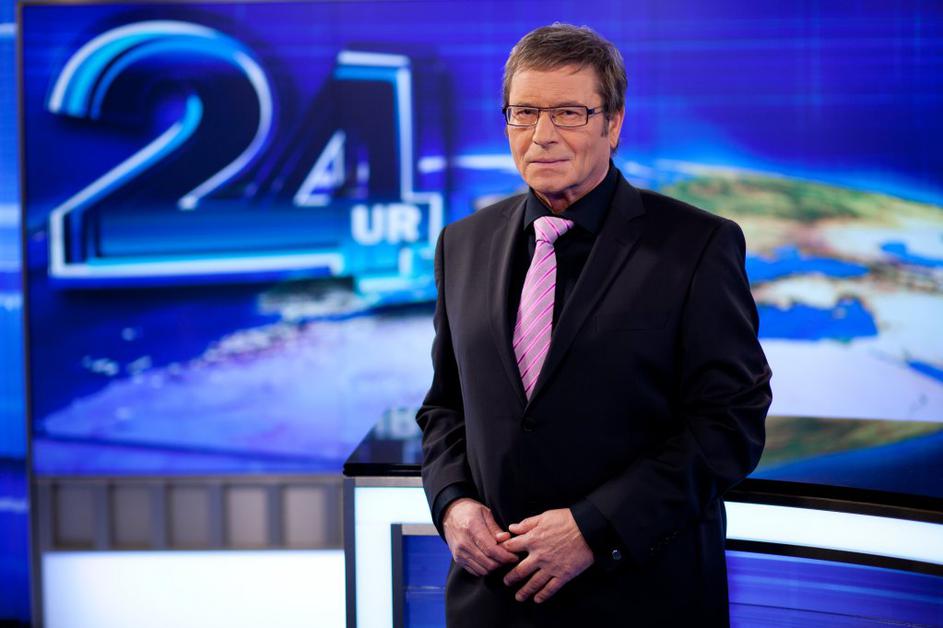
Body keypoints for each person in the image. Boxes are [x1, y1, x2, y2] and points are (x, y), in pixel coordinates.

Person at [416, 23, 772, 627]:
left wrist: (595, 527)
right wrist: (452, 503)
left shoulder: (697, 245)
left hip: (638, 596)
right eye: (524, 113)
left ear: (613, 124)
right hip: (492, 600)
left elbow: (729, 424)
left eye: (569, 113)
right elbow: (445, 407)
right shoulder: (462, 243)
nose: (542, 135)